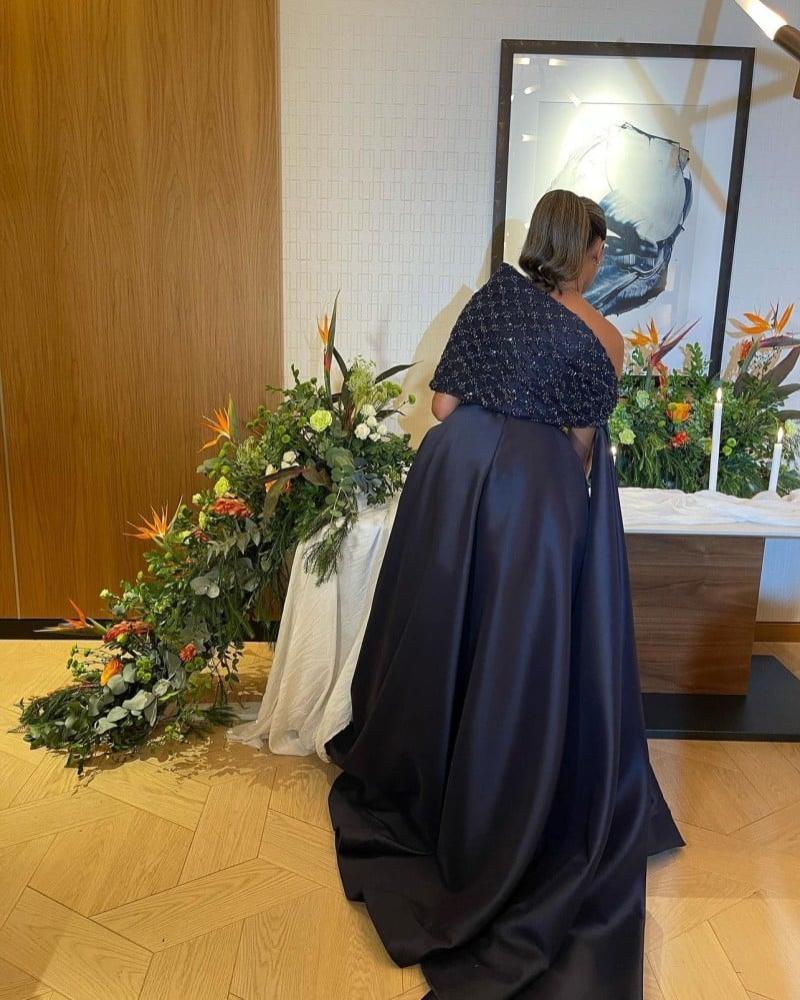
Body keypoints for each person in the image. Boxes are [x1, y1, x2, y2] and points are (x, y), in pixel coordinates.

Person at [324, 189, 685, 1000]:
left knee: (441, 630)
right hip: (534, 495)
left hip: (453, 476)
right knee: (514, 648)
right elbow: (583, 445)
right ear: (591, 252)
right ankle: (499, 790)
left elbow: (443, 405)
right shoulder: (606, 338)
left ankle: (425, 772)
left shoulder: (493, 299)